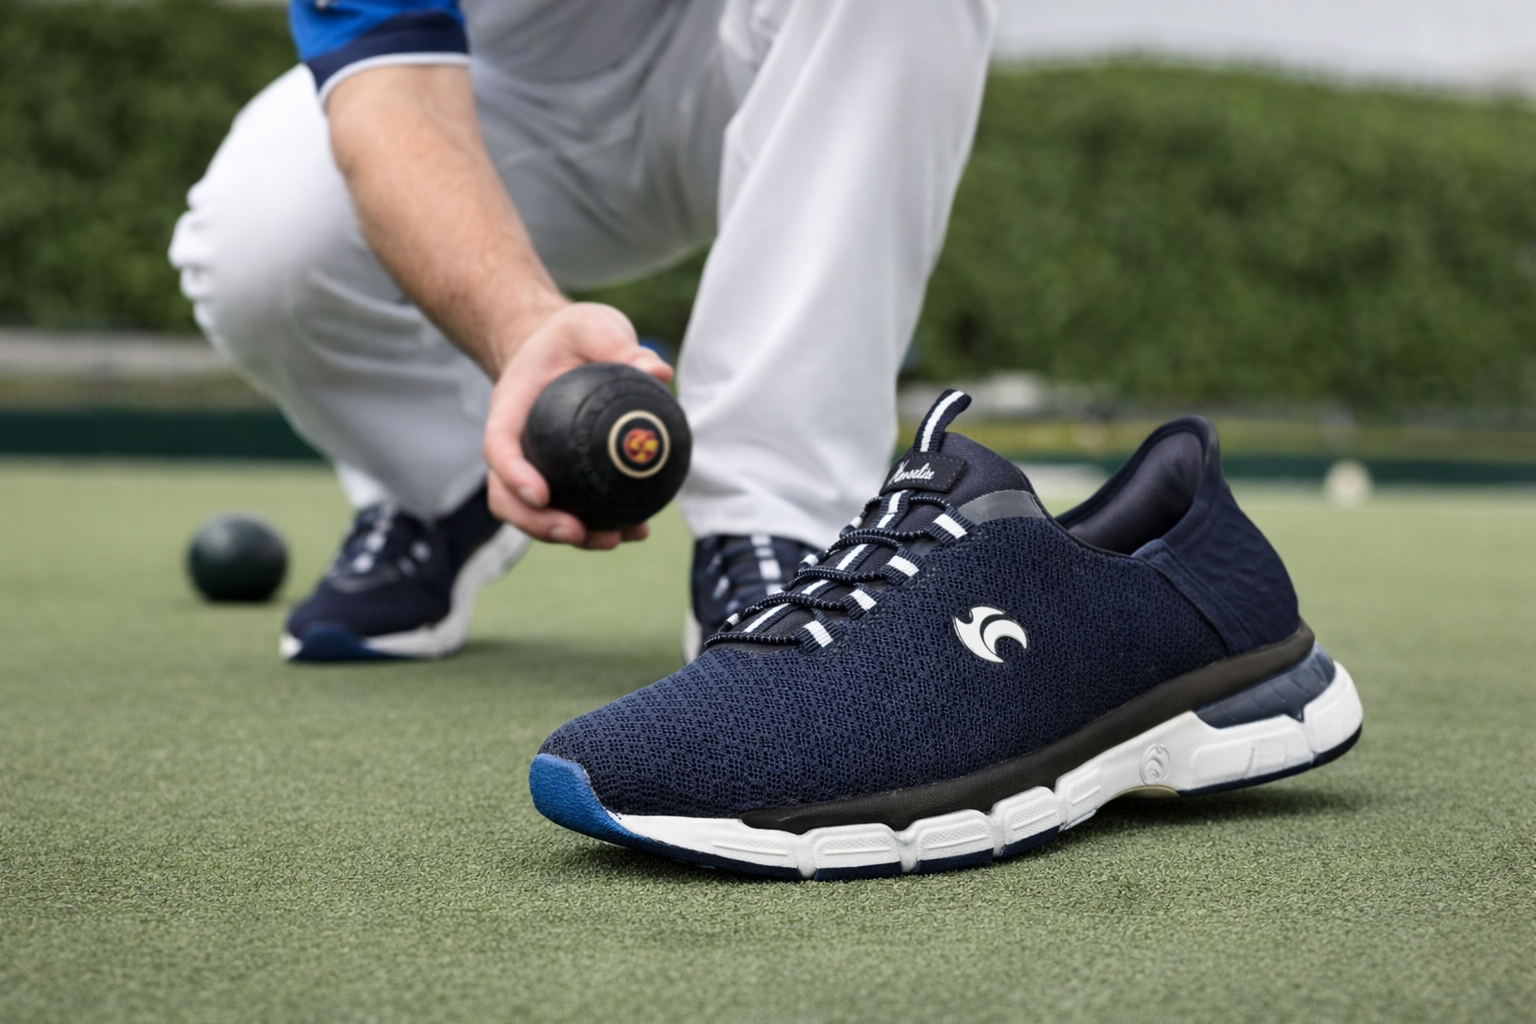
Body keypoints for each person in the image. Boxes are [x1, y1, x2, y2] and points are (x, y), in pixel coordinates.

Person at [170, 0, 998, 661]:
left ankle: (777, 526)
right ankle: (444, 485)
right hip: (497, 105)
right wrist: (525, 332)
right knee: (258, 241)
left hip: (769, 74)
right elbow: (395, 94)